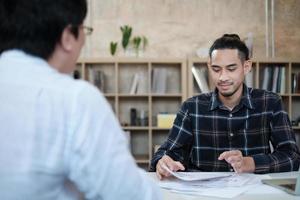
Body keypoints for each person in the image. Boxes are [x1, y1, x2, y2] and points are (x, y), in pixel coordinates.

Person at [0, 0, 161, 199]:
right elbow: (130, 194)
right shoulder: (75, 100)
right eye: (84, 29)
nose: (84, 39)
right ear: (68, 36)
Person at [150, 34, 300, 179]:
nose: (222, 77)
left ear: (246, 67)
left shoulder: (270, 102)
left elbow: (291, 156)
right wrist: (163, 162)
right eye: (216, 69)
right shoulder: (191, 107)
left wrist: (249, 163)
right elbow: (168, 152)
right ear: (209, 67)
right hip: (201, 193)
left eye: (231, 69)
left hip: (252, 192)